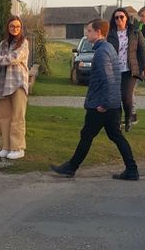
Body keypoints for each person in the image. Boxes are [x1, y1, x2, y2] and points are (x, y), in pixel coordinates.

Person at [50, 19, 139, 180]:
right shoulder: (108, 48)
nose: (87, 33)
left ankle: (71, 167)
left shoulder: (102, 52)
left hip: (101, 105)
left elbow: (108, 79)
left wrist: (104, 104)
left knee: (87, 135)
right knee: (115, 136)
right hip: (111, 103)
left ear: (98, 32)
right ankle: (132, 169)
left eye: (89, 30)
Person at [0, 16, 29, 160]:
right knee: (5, 117)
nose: (15, 29)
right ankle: (7, 146)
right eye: (12, 26)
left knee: (17, 117)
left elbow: (12, 59)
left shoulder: (23, 43)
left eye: (18, 26)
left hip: (17, 84)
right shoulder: (3, 44)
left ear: (21, 28)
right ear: (8, 28)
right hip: (4, 85)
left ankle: (18, 148)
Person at [106, 8, 145, 132]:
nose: (119, 19)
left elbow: (142, 49)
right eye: (116, 17)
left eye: (121, 17)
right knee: (116, 97)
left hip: (130, 69)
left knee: (126, 96)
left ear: (126, 18)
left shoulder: (134, 32)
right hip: (114, 70)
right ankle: (117, 121)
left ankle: (128, 118)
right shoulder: (110, 33)